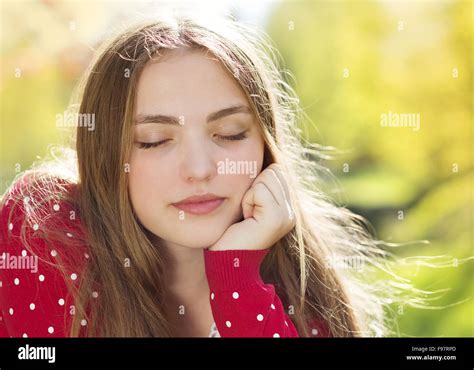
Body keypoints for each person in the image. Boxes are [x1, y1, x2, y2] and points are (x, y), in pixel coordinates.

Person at [0, 14, 385, 337]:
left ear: (265, 146)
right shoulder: (42, 226)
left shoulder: (306, 287)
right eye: (154, 140)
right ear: (105, 156)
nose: (200, 169)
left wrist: (237, 276)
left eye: (229, 134)